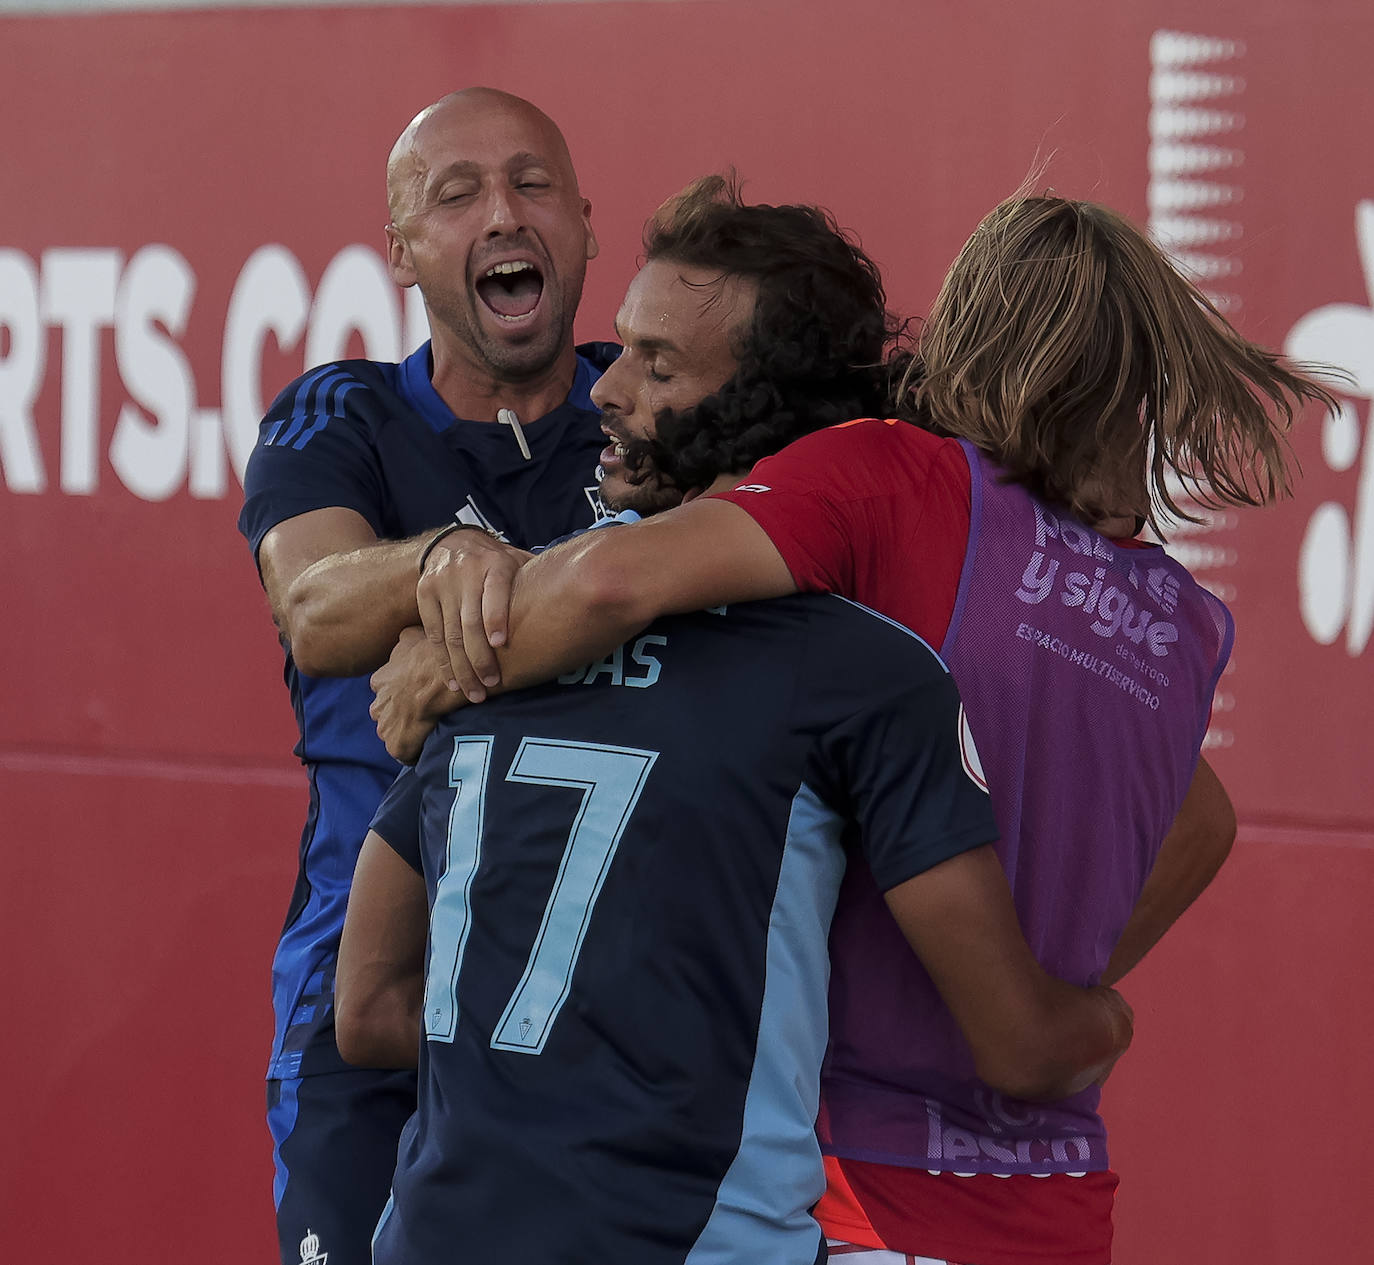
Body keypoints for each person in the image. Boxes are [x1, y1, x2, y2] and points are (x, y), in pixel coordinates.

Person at [399, 193, 1335, 1265]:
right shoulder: (1183, 621)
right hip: (1053, 1201)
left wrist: (448, 655)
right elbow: (1203, 819)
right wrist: (1060, 996)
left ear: (975, 333)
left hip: (848, 1183)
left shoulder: (902, 480)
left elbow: (613, 577)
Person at [235, 86, 608, 1265]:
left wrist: (461, 642)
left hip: (601, 1011)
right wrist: (443, 558)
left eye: (533, 184)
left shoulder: (649, 410)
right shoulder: (337, 414)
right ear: (399, 251)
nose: (503, 214)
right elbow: (315, 606)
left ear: (587, 225)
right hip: (369, 1010)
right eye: (456, 195)